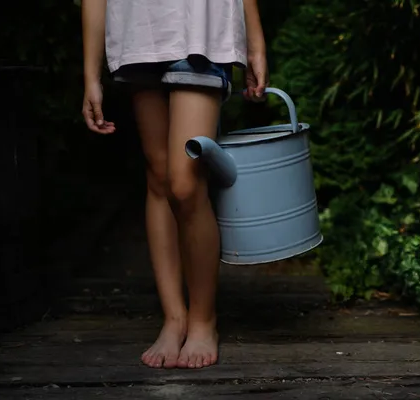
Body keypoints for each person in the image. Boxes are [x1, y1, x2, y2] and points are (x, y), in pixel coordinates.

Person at [81, 0, 268, 369]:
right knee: (161, 177)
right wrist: (90, 75)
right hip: (139, 33)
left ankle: (203, 320)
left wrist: (256, 43)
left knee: (185, 183)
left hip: (203, 31)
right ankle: (174, 317)